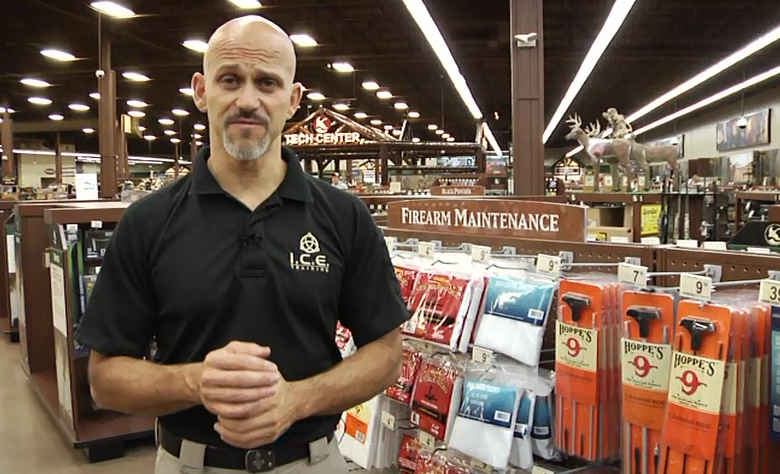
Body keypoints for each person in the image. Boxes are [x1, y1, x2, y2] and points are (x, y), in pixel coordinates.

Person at [75, 15, 409, 474]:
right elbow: (104, 378)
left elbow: (387, 354)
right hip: (189, 463)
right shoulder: (147, 222)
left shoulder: (344, 217)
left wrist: (296, 400)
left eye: (267, 83)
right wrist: (196, 382)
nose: (247, 100)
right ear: (200, 89)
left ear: (292, 99)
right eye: (230, 80)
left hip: (312, 462)